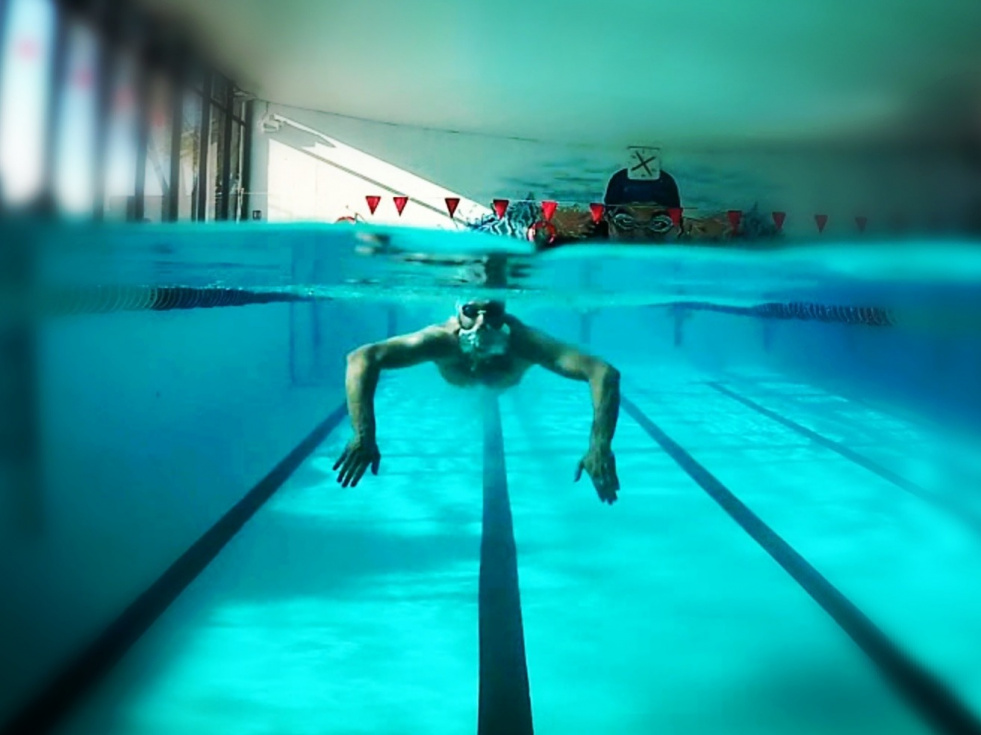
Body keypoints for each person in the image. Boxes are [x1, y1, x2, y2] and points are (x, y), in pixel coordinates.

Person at [333, 298, 622, 504]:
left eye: (493, 312)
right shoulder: (441, 341)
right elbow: (361, 358)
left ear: (503, 312)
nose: (483, 323)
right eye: (472, 312)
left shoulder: (523, 342)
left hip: (498, 384)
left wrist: (599, 446)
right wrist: (363, 435)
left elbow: (603, 372)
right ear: (460, 312)